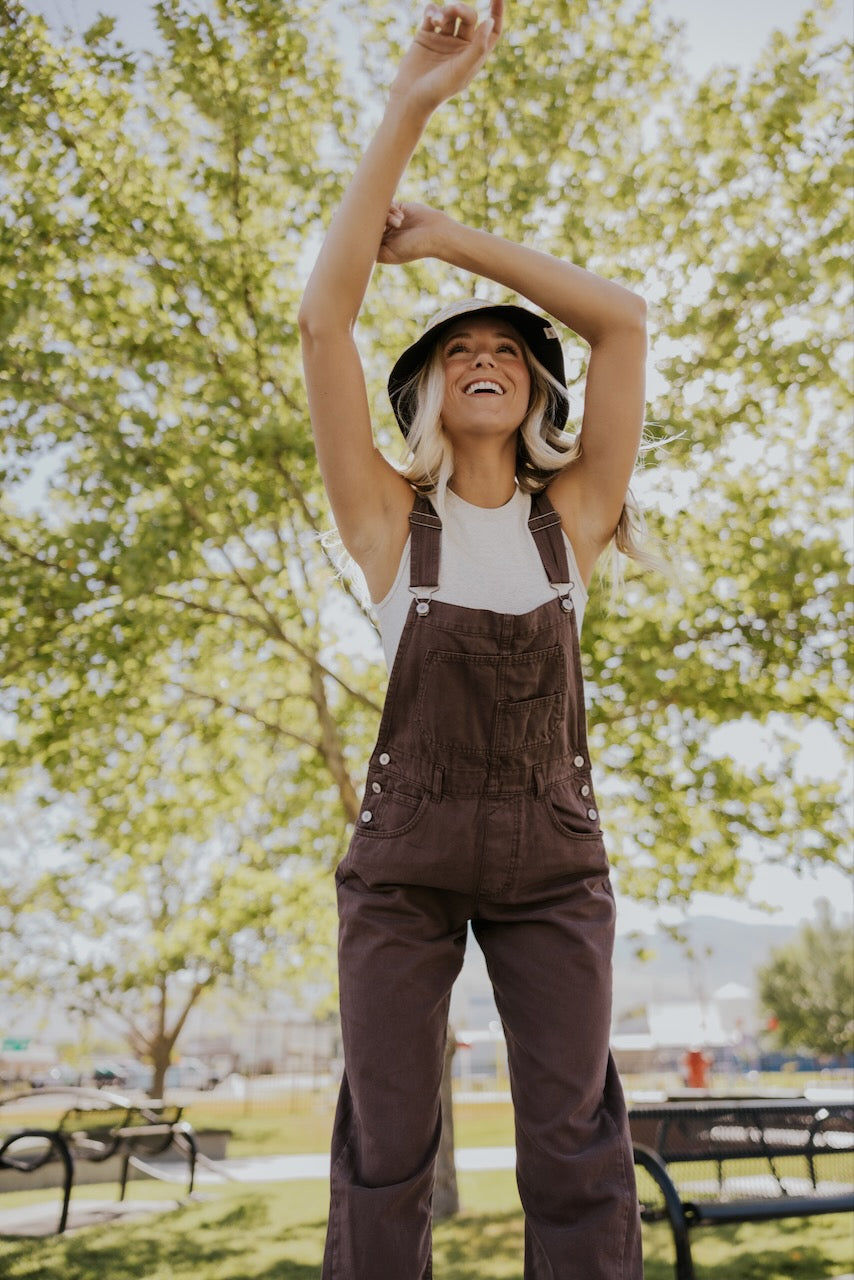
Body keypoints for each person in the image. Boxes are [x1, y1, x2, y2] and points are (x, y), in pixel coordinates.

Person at [299, 3, 647, 1276]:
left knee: (572, 1138)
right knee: (386, 1139)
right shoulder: (390, 520)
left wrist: (452, 244)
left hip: (555, 863)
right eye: (461, 351)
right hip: (402, 865)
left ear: (535, 392)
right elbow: (322, 322)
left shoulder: (579, 521)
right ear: (429, 394)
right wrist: (409, 105)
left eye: (507, 350)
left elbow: (620, 318)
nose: (488, 355)